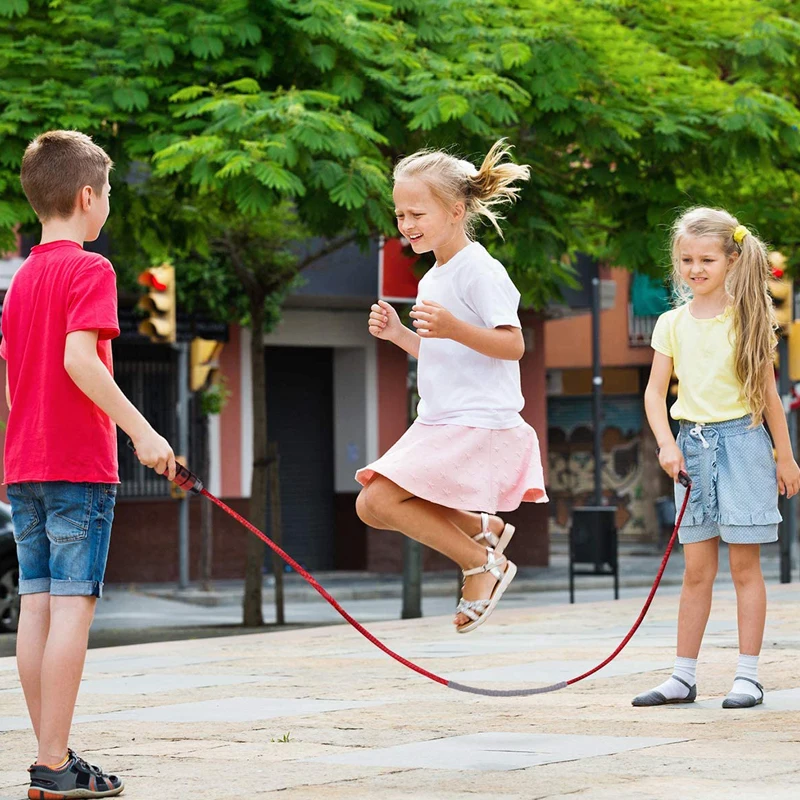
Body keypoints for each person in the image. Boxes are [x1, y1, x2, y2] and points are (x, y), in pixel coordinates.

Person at [2, 130, 176, 799]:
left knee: (37, 608)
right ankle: (52, 764)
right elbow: (80, 361)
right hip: (77, 466)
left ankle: (52, 757)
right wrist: (144, 432)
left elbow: (12, 382)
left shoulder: (20, 284)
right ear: (86, 196)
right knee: (72, 609)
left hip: (26, 467)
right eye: (107, 196)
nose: (107, 208)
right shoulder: (88, 269)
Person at [355, 139, 547, 633]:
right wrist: (401, 336)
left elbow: (512, 346)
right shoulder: (434, 277)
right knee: (373, 507)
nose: (407, 224)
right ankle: (485, 532)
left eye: (417, 212)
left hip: (475, 419)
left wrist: (453, 328)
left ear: (457, 210)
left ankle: (483, 562)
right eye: (400, 214)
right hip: (441, 416)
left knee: (377, 500)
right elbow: (448, 356)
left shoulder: (480, 270)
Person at [632, 207, 800, 709]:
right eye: (686, 259)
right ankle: (683, 676)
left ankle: (748, 675)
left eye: (706, 258)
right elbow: (653, 393)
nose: (695, 268)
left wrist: (785, 458)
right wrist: (666, 443)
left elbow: (767, 394)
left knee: (745, 567)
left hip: (745, 443)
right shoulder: (670, 322)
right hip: (691, 448)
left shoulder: (750, 318)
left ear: (731, 259)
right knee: (695, 569)